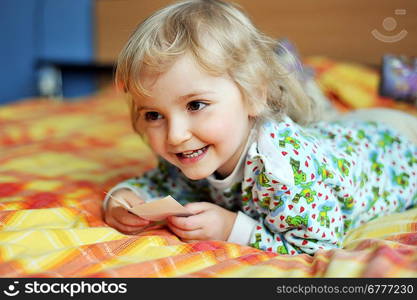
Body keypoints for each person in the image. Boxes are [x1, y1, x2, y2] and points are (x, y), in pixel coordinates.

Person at [103, 0, 417, 255]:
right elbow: (163, 183)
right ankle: (299, 81)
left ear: (254, 94)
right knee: (319, 119)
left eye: (196, 105)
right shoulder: (188, 147)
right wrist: (127, 197)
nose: (174, 134)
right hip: (337, 134)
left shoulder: (283, 172)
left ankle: (403, 80)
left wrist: (232, 229)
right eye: (154, 115)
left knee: (320, 117)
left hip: (397, 142)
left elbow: (320, 244)